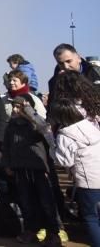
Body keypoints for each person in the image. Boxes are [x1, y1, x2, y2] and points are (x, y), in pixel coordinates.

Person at [2, 95, 61, 246]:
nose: (15, 110)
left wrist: (29, 113)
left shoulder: (36, 123)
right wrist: (7, 164)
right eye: (14, 106)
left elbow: (45, 129)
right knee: (26, 201)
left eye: (19, 106)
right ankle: (30, 231)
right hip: (20, 169)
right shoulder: (11, 125)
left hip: (39, 169)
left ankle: (53, 233)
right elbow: (7, 146)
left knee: (46, 201)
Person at [50, 98, 100, 247]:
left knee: (91, 217)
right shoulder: (91, 126)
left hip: (88, 180)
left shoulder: (65, 134)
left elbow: (64, 161)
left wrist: (52, 149)